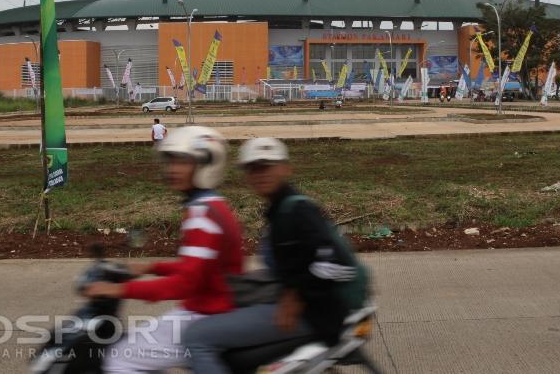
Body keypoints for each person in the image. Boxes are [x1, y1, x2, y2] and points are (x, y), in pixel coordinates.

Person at [185, 137, 363, 374]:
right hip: (303, 306)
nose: (260, 174)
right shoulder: (279, 209)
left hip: (313, 312)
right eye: (253, 168)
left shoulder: (297, 210)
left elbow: (338, 264)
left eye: (267, 166)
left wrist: (296, 296)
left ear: (286, 168)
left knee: (197, 336)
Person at [83, 126, 243, 373]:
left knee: (119, 357)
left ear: (206, 164)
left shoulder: (202, 216)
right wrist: (151, 266)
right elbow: (199, 268)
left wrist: (118, 289)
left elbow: (184, 284)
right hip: (210, 308)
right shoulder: (213, 206)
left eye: (182, 162)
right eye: (170, 162)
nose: (172, 170)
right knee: (140, 342)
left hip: (207, 314)